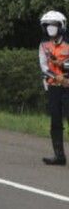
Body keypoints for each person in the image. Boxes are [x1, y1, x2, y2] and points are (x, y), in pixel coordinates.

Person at [39, 10, 69, 165]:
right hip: (53, 86)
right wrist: (56, 76)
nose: (50, 28)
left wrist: (63, 68)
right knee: (55, 120)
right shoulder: (44, 45)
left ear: (61, 26)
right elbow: (44, 66)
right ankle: (59, 155)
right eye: (47, 25)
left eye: (54, 25)